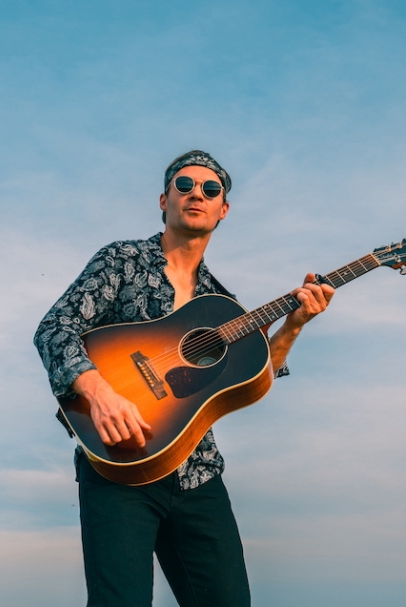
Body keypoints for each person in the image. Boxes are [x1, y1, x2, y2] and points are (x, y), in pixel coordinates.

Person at [34, 150, 334, 607]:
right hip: (121, 465)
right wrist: (100, 393)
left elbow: (256, 376)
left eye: (211, 190)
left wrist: (293, 326)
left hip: (198, 475)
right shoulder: (122, 261)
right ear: (163, 199)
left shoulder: (221, 303)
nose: (198, 194)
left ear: (223, 210)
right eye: (185, 185)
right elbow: (55, 328)